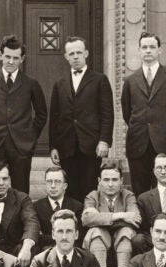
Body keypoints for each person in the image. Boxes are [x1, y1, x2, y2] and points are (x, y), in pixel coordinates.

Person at [0, 35, 47, 193]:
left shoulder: (31, 84)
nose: (11, 61)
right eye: (7, 57)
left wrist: (30, 137)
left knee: (20, 190)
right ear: (0, 55)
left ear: (22, 59)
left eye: (15, 58)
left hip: (21, 146)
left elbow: (41, 114)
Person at [120, 32, 166, 195]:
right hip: (138, 142)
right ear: (139, 50)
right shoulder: (130, 80)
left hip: (165, 141)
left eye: (152, 47)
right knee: (140, 191)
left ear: (160, 50)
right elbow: (127, 111)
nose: (148, 50)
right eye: (144, 47)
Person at [49, 36, 114, 200]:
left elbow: (107, 113)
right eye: (71, 53)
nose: (75, 56)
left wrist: (104, 140)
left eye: (79, 52)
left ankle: (88, 223)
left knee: (89, 190)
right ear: (66, 56)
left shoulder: (100, 80)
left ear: (86, 53)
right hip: (66, 146)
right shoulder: (60, 83)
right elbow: (54, 117)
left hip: (91, 146)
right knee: (69, 190)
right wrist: (53, 146)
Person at [82, 162, 140, 267]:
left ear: (121, 181)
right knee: (96, 232)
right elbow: (87, 219)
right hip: (99, 245)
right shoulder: (93, 196)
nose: (110, 184)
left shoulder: (128, 196)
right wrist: (121, 216)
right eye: (106, 179)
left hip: (122, 244)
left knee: (126, 232)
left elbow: (136, 219)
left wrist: (101, 219)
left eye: (114, 180)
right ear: (99, 181)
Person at [132, 154, 166, 254]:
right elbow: (142, 230)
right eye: (159, 168)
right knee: (138, 239)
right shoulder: (144, 198)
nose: (163, 171)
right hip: (154, 242)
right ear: (154, 171)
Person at [34, 167, 83, 249]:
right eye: (49, 182)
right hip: (44, 252)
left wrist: (47, 237)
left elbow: (79, 235)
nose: (53, 186)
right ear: (45, 184)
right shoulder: (36, 207)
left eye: (57, 182)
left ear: (65, 186)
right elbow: (36, 237)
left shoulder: (77, 207)